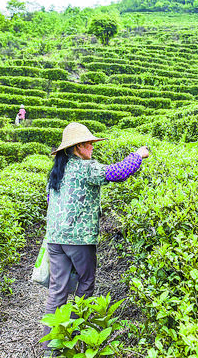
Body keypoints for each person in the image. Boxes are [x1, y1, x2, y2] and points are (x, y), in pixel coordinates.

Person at [41, 122, 149, 351]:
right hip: (79, 240)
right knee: (86, 283)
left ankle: (52, 345)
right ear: (77, 147)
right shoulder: (85, 168)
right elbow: (117, 172)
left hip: (54, 238)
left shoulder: (56, 172)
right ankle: (78, 333)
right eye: (88, 143)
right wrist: (138, 155)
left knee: (57, 290)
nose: (92, 147)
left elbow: (51, 202)